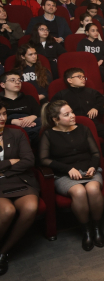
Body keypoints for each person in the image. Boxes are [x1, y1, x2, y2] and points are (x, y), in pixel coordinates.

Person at [40, 100, 104, 251]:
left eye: (72, 112)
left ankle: (97, 227)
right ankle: (86, 230)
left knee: (93, 189)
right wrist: (67, 168)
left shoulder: (83, 129)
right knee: (79, 192)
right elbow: (43, 159)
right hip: (64, 174)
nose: (72, 116)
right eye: (66, 114)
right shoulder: (48, 134)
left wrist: (93, 166)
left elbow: (95, 153)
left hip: (89, 170)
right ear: (55, 119)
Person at [0, 101, 40, 275]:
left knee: (31, 207)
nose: (2, 118)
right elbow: (17, 161)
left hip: (19, 179)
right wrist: (9, 161)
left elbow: (28, 161)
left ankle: (3, 252)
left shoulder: (17, 133)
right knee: (7, 211)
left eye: (3, 114)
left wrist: (5, 171)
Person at [51, 68, 104, 146]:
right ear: (70, 80)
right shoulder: (61, 95)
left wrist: (96, 108)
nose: (83, 79)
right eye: (79, 76)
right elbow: (52, 108)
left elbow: (102, 101)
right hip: (70, 124)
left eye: (84, 77)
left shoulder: (91, 92)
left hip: (92, 122)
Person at [0, 72, 41, 146]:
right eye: (12, 80)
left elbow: (40, 112)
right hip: (10, 125)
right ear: (3, 85)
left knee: (43, 121)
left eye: (19, 80)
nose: (17, 82)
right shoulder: (0, 101)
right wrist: (13, 121)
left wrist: (32, 117)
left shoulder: (29, 98)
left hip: (31, 122)